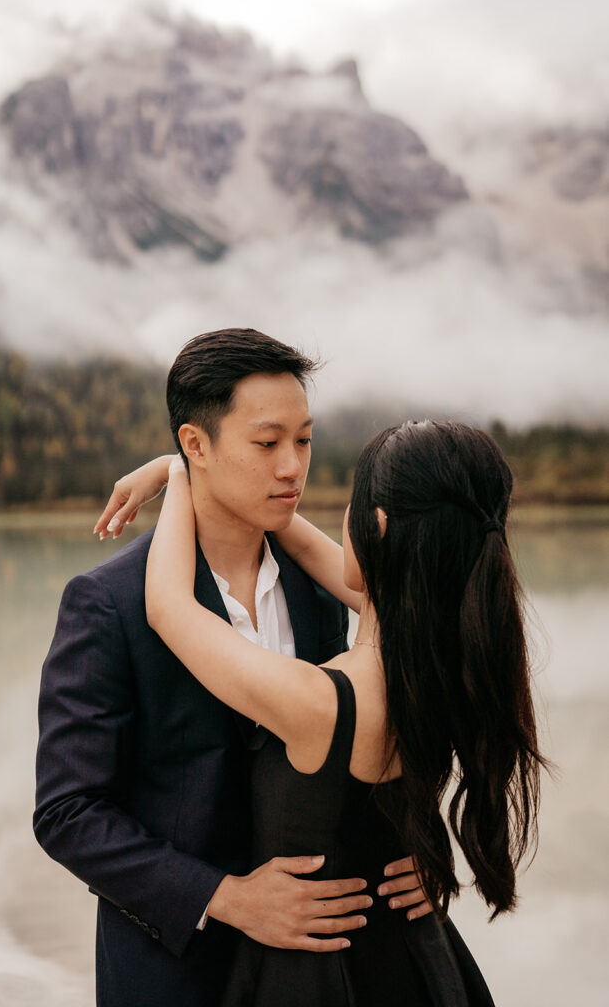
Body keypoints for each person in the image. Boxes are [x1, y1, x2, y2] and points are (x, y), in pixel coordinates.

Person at [34, 329, 431, 1007]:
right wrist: (226, 897)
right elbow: (67, 812)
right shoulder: (108, 604)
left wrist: (420, 846)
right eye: (267, 442)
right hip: (175, 972)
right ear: (197, 445)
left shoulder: (314, 587)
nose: (292, 468)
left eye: (303, 441)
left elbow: (354, 746)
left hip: (318, 969)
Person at [114, 417, 546, 1006]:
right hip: (417, 961)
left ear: (375, 527)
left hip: (317, 978)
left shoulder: (321, 702)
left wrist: (177, 472)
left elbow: (167, 607)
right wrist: (217, 479)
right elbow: (315, 547)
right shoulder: (450, 655)